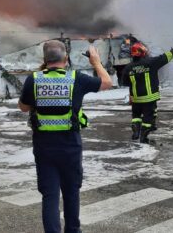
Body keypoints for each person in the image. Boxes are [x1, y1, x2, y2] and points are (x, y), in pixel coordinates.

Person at [18, 40, 112, 233]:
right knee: (71, 193)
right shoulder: (76, 78)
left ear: (45, 60)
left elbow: (23, 107)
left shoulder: (34, 79)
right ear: (66, 59)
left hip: (44, 147)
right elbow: (107, 83)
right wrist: (95, 62)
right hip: (70, 146)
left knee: (50, 196)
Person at [122, 42, 173, 144]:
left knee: (136, 117)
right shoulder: (150, 63)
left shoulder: (128, 67)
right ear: (143, 52)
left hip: (136, 99)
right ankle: (143, 137)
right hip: (149, 98)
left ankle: (135, 132)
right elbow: (163, 58)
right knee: (148, 118)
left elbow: (125, 82)